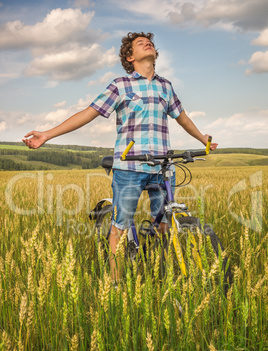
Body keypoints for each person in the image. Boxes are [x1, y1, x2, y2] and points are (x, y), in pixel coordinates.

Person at [23, 31, 218, 281]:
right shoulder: (120, 85)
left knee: (163, 223)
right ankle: (115, 285)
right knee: (121, 227)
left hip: (162, 167)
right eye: (139, 43)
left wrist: (203, 139)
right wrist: (47, 134)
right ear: (130, 56)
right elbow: (88, 113)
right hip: (130, 167)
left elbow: (182, 118)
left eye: (149, 42)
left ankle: (157, 268)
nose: (147, 44)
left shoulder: (165, 86)